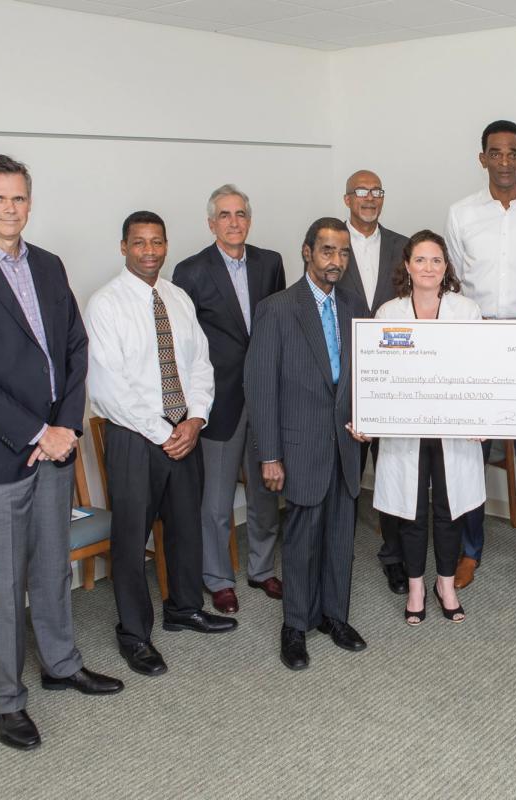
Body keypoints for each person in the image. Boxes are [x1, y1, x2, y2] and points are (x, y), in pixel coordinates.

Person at [0, 154, 123, 750]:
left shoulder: (50, 265)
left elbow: (73, 350)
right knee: (4, 584)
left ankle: (62, 665)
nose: (11, 209)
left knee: (52, 568)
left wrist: (64, 428)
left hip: (55, 448)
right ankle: (6, 699)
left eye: (19, 199)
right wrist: (39, 432)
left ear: (30, 203)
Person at [86, 211, 237, 679]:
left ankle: (184, 609)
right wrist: (163, 431)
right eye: (139, 243)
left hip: (183, 433)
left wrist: (195, 420)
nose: (149, 251)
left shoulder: (178, 298)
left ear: (166, 245)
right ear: (124, 247)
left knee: (185, 526)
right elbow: (108, 386)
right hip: (136, 438)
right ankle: (134, 634)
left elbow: (199, 366)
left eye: (157, 242)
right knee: (131, 538)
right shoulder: (105, 305)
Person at [245, 217, 367, 671]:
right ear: (307, 252)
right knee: (301, 540)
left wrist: (368, 418)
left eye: (343, 253)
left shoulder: (355, 305)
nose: (336, 261)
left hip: (346, 444)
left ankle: (335, 617)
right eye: (328, 251)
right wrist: (270, 455)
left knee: (340, 536)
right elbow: (260, 387)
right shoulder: (277, 308)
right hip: (299, 447)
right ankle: (294, 626)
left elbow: (365, 377)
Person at [445, 119, 516, 590]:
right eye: (496, 153)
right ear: (482, 159)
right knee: (473, 452)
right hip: (477, 343)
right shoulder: (460, 214)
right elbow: (454, 278)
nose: (505, 162)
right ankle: (470, 549)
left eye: (513, 153)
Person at [352, 230, 485, 625]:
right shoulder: (388, 314)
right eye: (421, 260)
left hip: (454, 429)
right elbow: (374, 374)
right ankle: (415, 585)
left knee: (447, 509)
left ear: (446, 268)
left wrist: (484, 416)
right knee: (409, 512)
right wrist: (366, 417)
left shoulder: (466, 311)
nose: (429, 267)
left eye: (437, 260)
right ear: (407, 266)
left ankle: (445, 583)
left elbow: (482, 370)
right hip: (405, 431)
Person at [172, 184, 286, 615]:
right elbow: (185, 346)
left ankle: (261, 569)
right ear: (211, 223)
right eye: (224, 215)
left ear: (249, 220)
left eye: (240, 214)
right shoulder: (190, 271)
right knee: (216, 502)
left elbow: (278, 325)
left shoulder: (270, 262)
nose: (233, 222)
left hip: (265, 395)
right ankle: (218, 579)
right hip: (217, 402)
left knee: (264, 494)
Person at [335, 169, 411, 596]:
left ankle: (394, 556)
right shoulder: (331, 242)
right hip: (341, 375)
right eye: (361, 192)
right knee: (345, 467)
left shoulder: (403, 246)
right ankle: (337, 549)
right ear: (347, 199)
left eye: (376, 191)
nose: (369, 198)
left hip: (391, 377)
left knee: (393, 468)